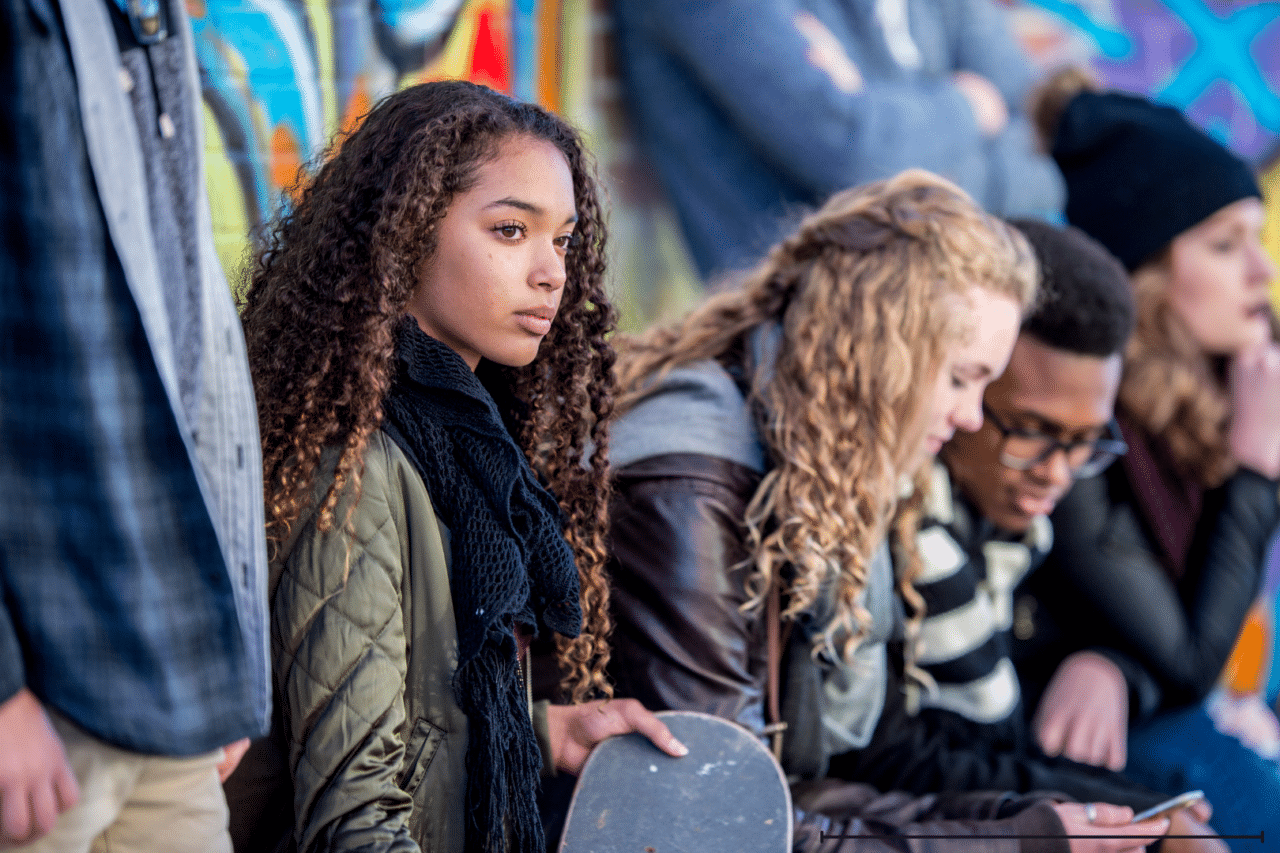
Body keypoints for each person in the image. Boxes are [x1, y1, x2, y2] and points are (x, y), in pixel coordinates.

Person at [606, 168, 1171, 853]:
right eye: (961, 378)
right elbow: (717, 824)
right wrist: (1018, 842)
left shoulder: (823, 465)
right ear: (883, 354)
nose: (969, 416)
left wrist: (1054, 820)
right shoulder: (694, 488)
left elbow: (805, 786)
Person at [236, 80, 684, 853]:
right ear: (405, 236)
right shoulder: (359, 470)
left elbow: (403, 726)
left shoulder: (463, 450)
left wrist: (540, 733)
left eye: (564, 240)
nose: (551, 273)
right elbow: (356, 819)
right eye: (511, 231)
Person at [834, 217, 1216, 844]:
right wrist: (1145, 816)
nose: (1057, 474)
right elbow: (885, 755)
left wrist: (1109, 664)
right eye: (1032, 431)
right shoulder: (882, 529)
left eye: (1085, 443)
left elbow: (1161, 645)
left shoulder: (1022, 524)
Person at [0, 0, 269, 850]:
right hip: (38, 707)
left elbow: (190, 349)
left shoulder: (149, 20)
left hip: (166, 686)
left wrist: (224, 653)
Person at [1011, 77, 1280, 848]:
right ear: (1150, 275)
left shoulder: (1239, 380)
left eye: (1256, 241)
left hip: (1162, 704)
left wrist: (1117, 665)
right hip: (1061, 737)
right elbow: (1190, 657)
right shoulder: (1082, 417)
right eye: (1225, 245)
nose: (1261, 273)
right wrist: (1255, 474)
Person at [610, 0, 1065, 280]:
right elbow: (856, 157)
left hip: (943, 316)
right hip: (806, 337)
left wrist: (888, 124)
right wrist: (970, 108)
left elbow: (1050, 137)